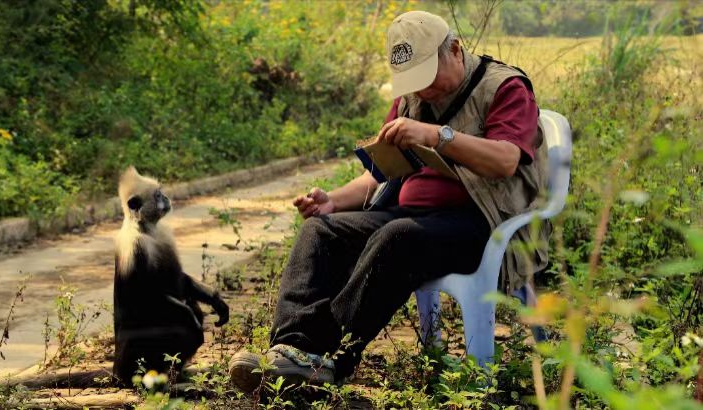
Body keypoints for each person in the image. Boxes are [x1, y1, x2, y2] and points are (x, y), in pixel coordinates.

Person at [228, 10, 550, 391]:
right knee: (320, 231)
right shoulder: (412, 99)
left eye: (426, 76)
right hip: (413, 216)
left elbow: (505, 160)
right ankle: (292, 350)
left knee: (399, 236)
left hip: (482, 224)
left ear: (456, 51)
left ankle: (326, 359)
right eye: (413, 81)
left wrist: (437, 135)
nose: (422, 90)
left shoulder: (504, 88)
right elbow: (381, 172)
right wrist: (333, 201)